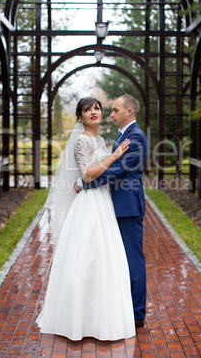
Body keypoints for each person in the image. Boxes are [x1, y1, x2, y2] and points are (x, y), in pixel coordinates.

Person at [36, 97, 136, 341]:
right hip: (90, 203)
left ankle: (100, 317)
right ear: (80, 117)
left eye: (97, 108)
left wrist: (112, 154)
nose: (94, 112)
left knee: (104, 257)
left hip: (104, 201)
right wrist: (114, 156)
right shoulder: (81, 140)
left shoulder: (100, 139)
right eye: (87, 109)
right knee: (87, 256)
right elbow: (88, 175)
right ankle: (77, 320)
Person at [81, 94, 149, 329]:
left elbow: (118, 170)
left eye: (115, 110)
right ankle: (123, 307)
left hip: (128, 206)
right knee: (119, 259)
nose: (110, 114)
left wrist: (85, 183)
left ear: (129, 112)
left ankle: (137, 314)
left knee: (133, 260)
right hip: (116, 204)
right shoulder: (122, 135)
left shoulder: (136, 137)